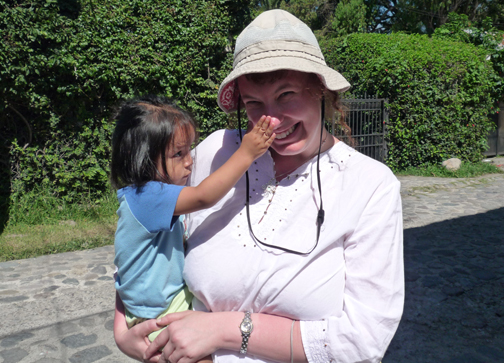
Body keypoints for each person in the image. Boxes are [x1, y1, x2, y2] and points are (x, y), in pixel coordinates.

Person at [114, 10, 404, 363]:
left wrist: (223, 330)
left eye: (286, 95)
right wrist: (123, 330)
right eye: (254, 103)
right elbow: (143, 238)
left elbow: (362, 342)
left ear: (320, 90)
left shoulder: (370, 185)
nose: (271, 120)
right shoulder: (213, 152)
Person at [110, 95, 276, 343]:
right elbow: (203, 196)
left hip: (161, 304)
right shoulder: (148, 195)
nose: (190, 161)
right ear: (143, 159)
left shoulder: (144, 197)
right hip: (159, 313)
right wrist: (247, 153)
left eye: (189, 149)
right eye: (178, 153)